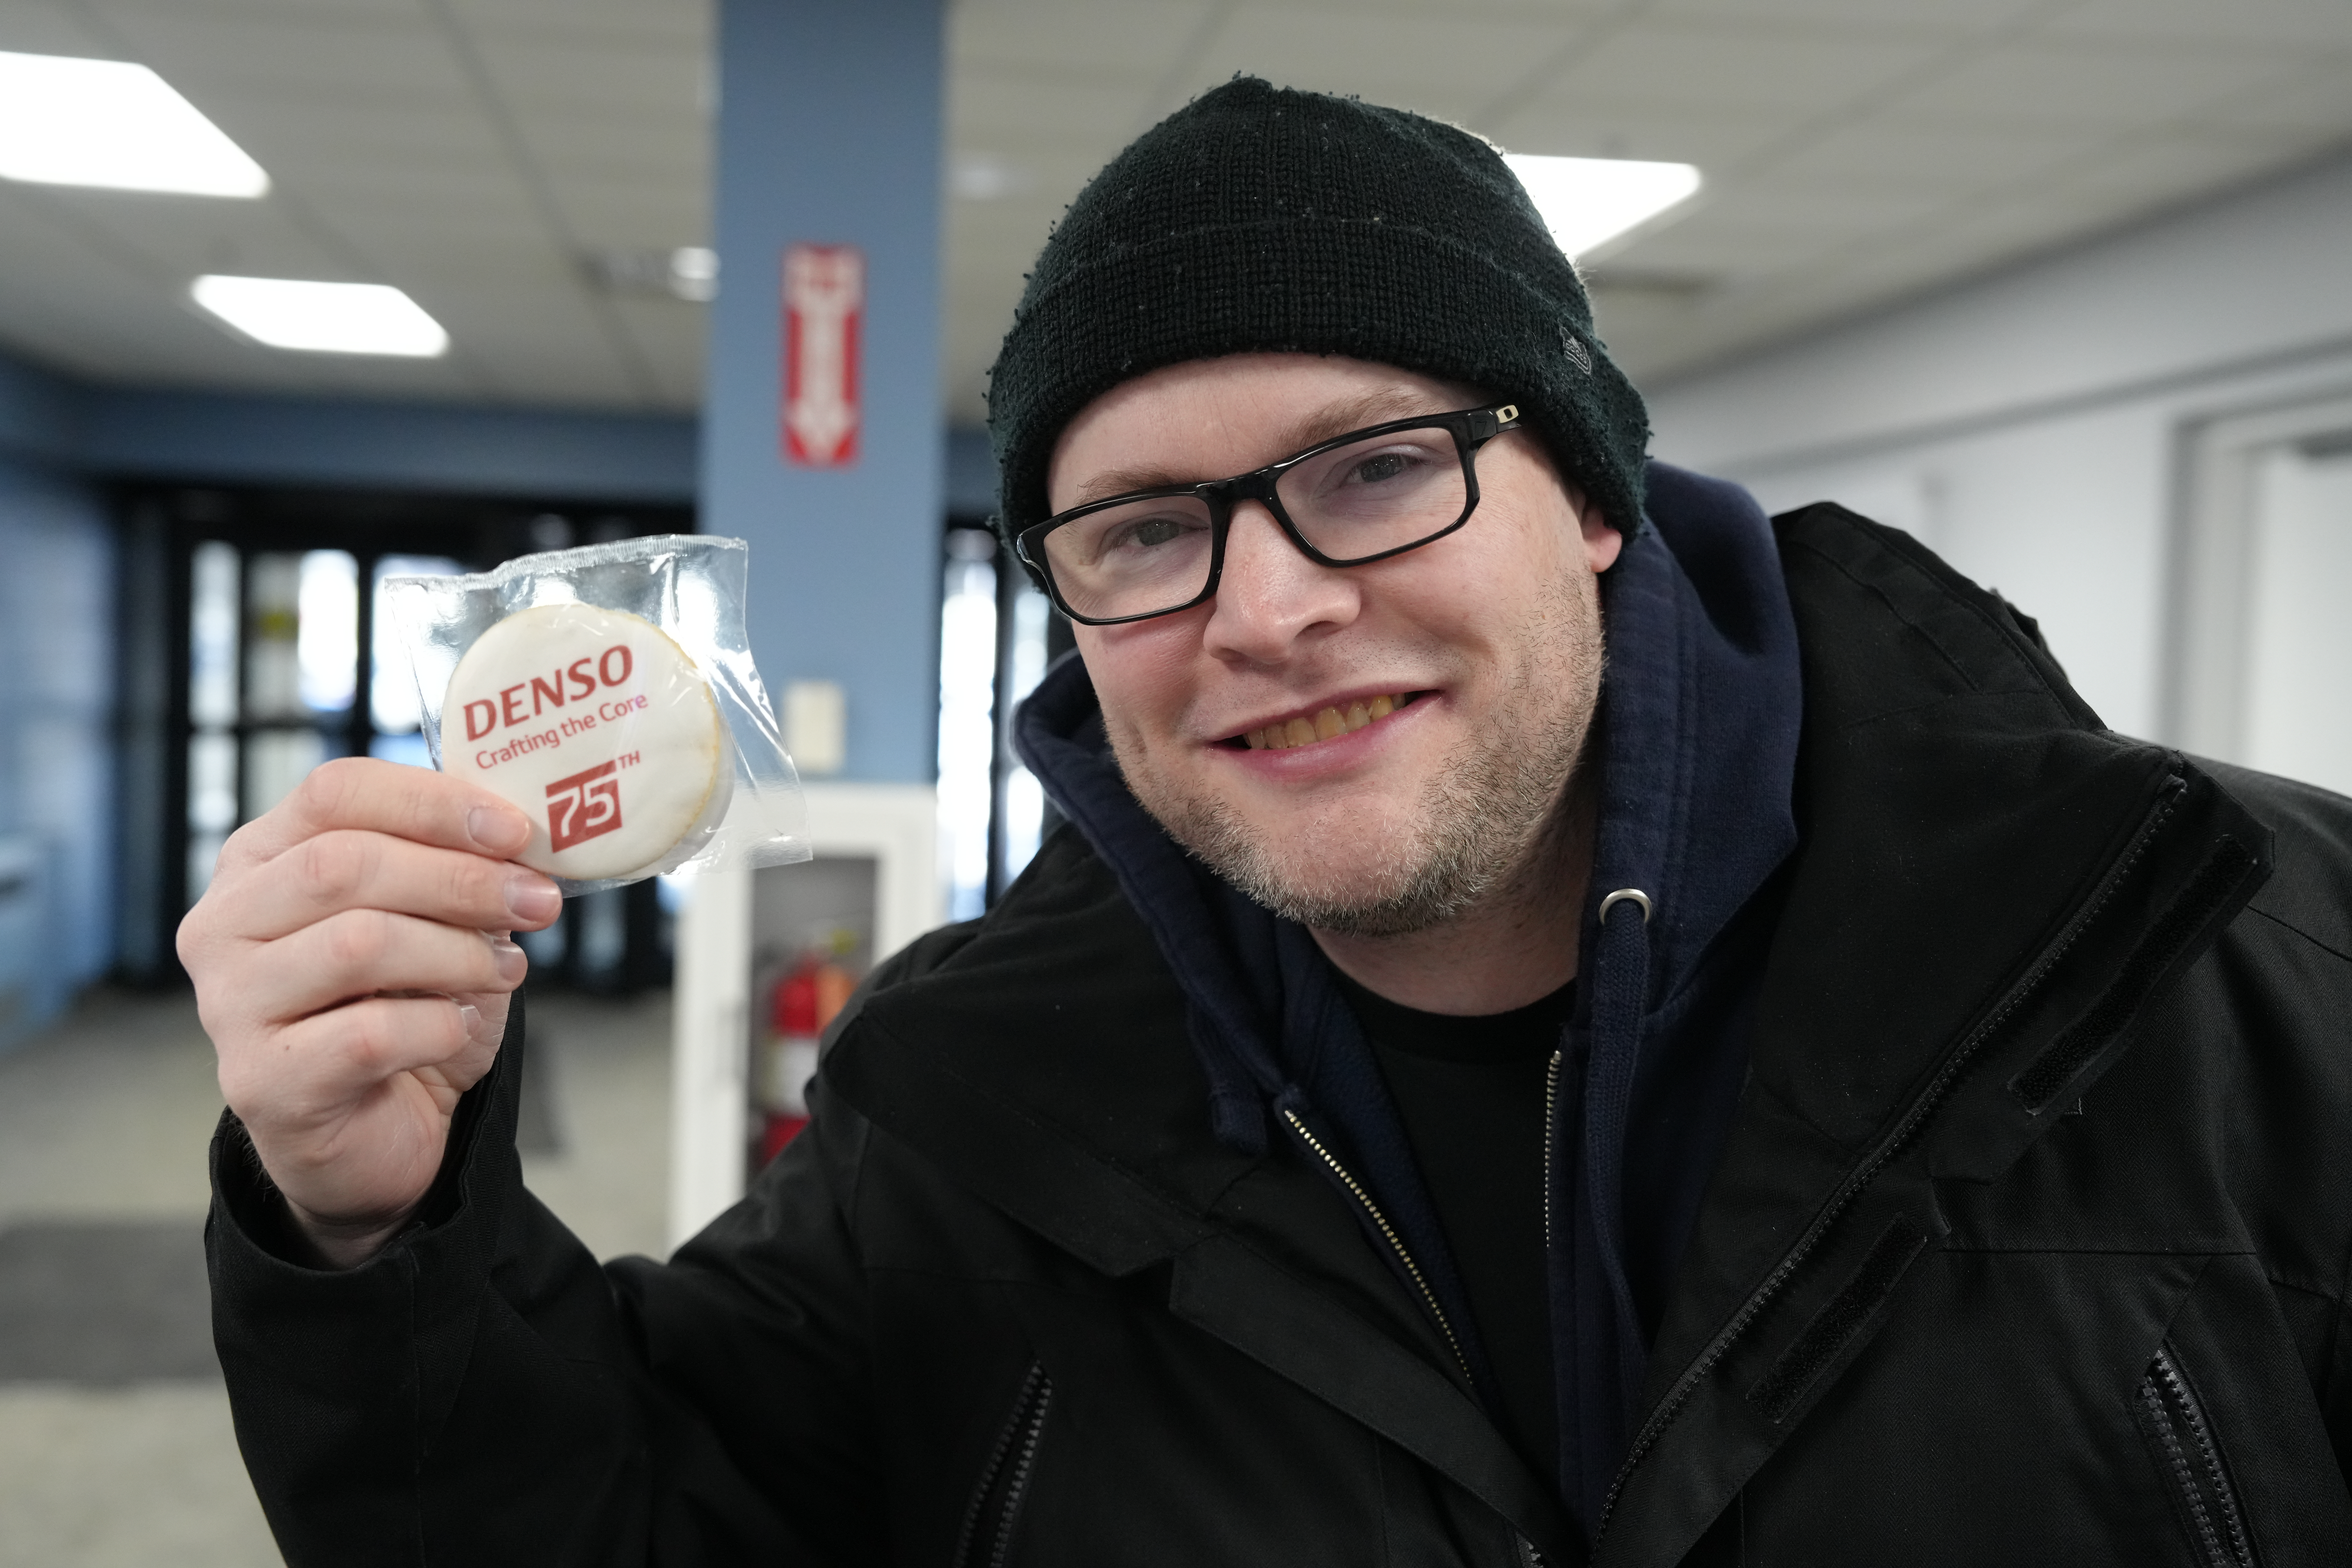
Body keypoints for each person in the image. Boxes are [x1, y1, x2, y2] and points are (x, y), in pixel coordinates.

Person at [186, 79, 2352, 1567]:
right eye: (1143, 530)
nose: (1271, 609)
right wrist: (376, 1235)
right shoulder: (962, 1108)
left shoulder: (2252, 971)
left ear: (1593, 502)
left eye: (1379, 467)